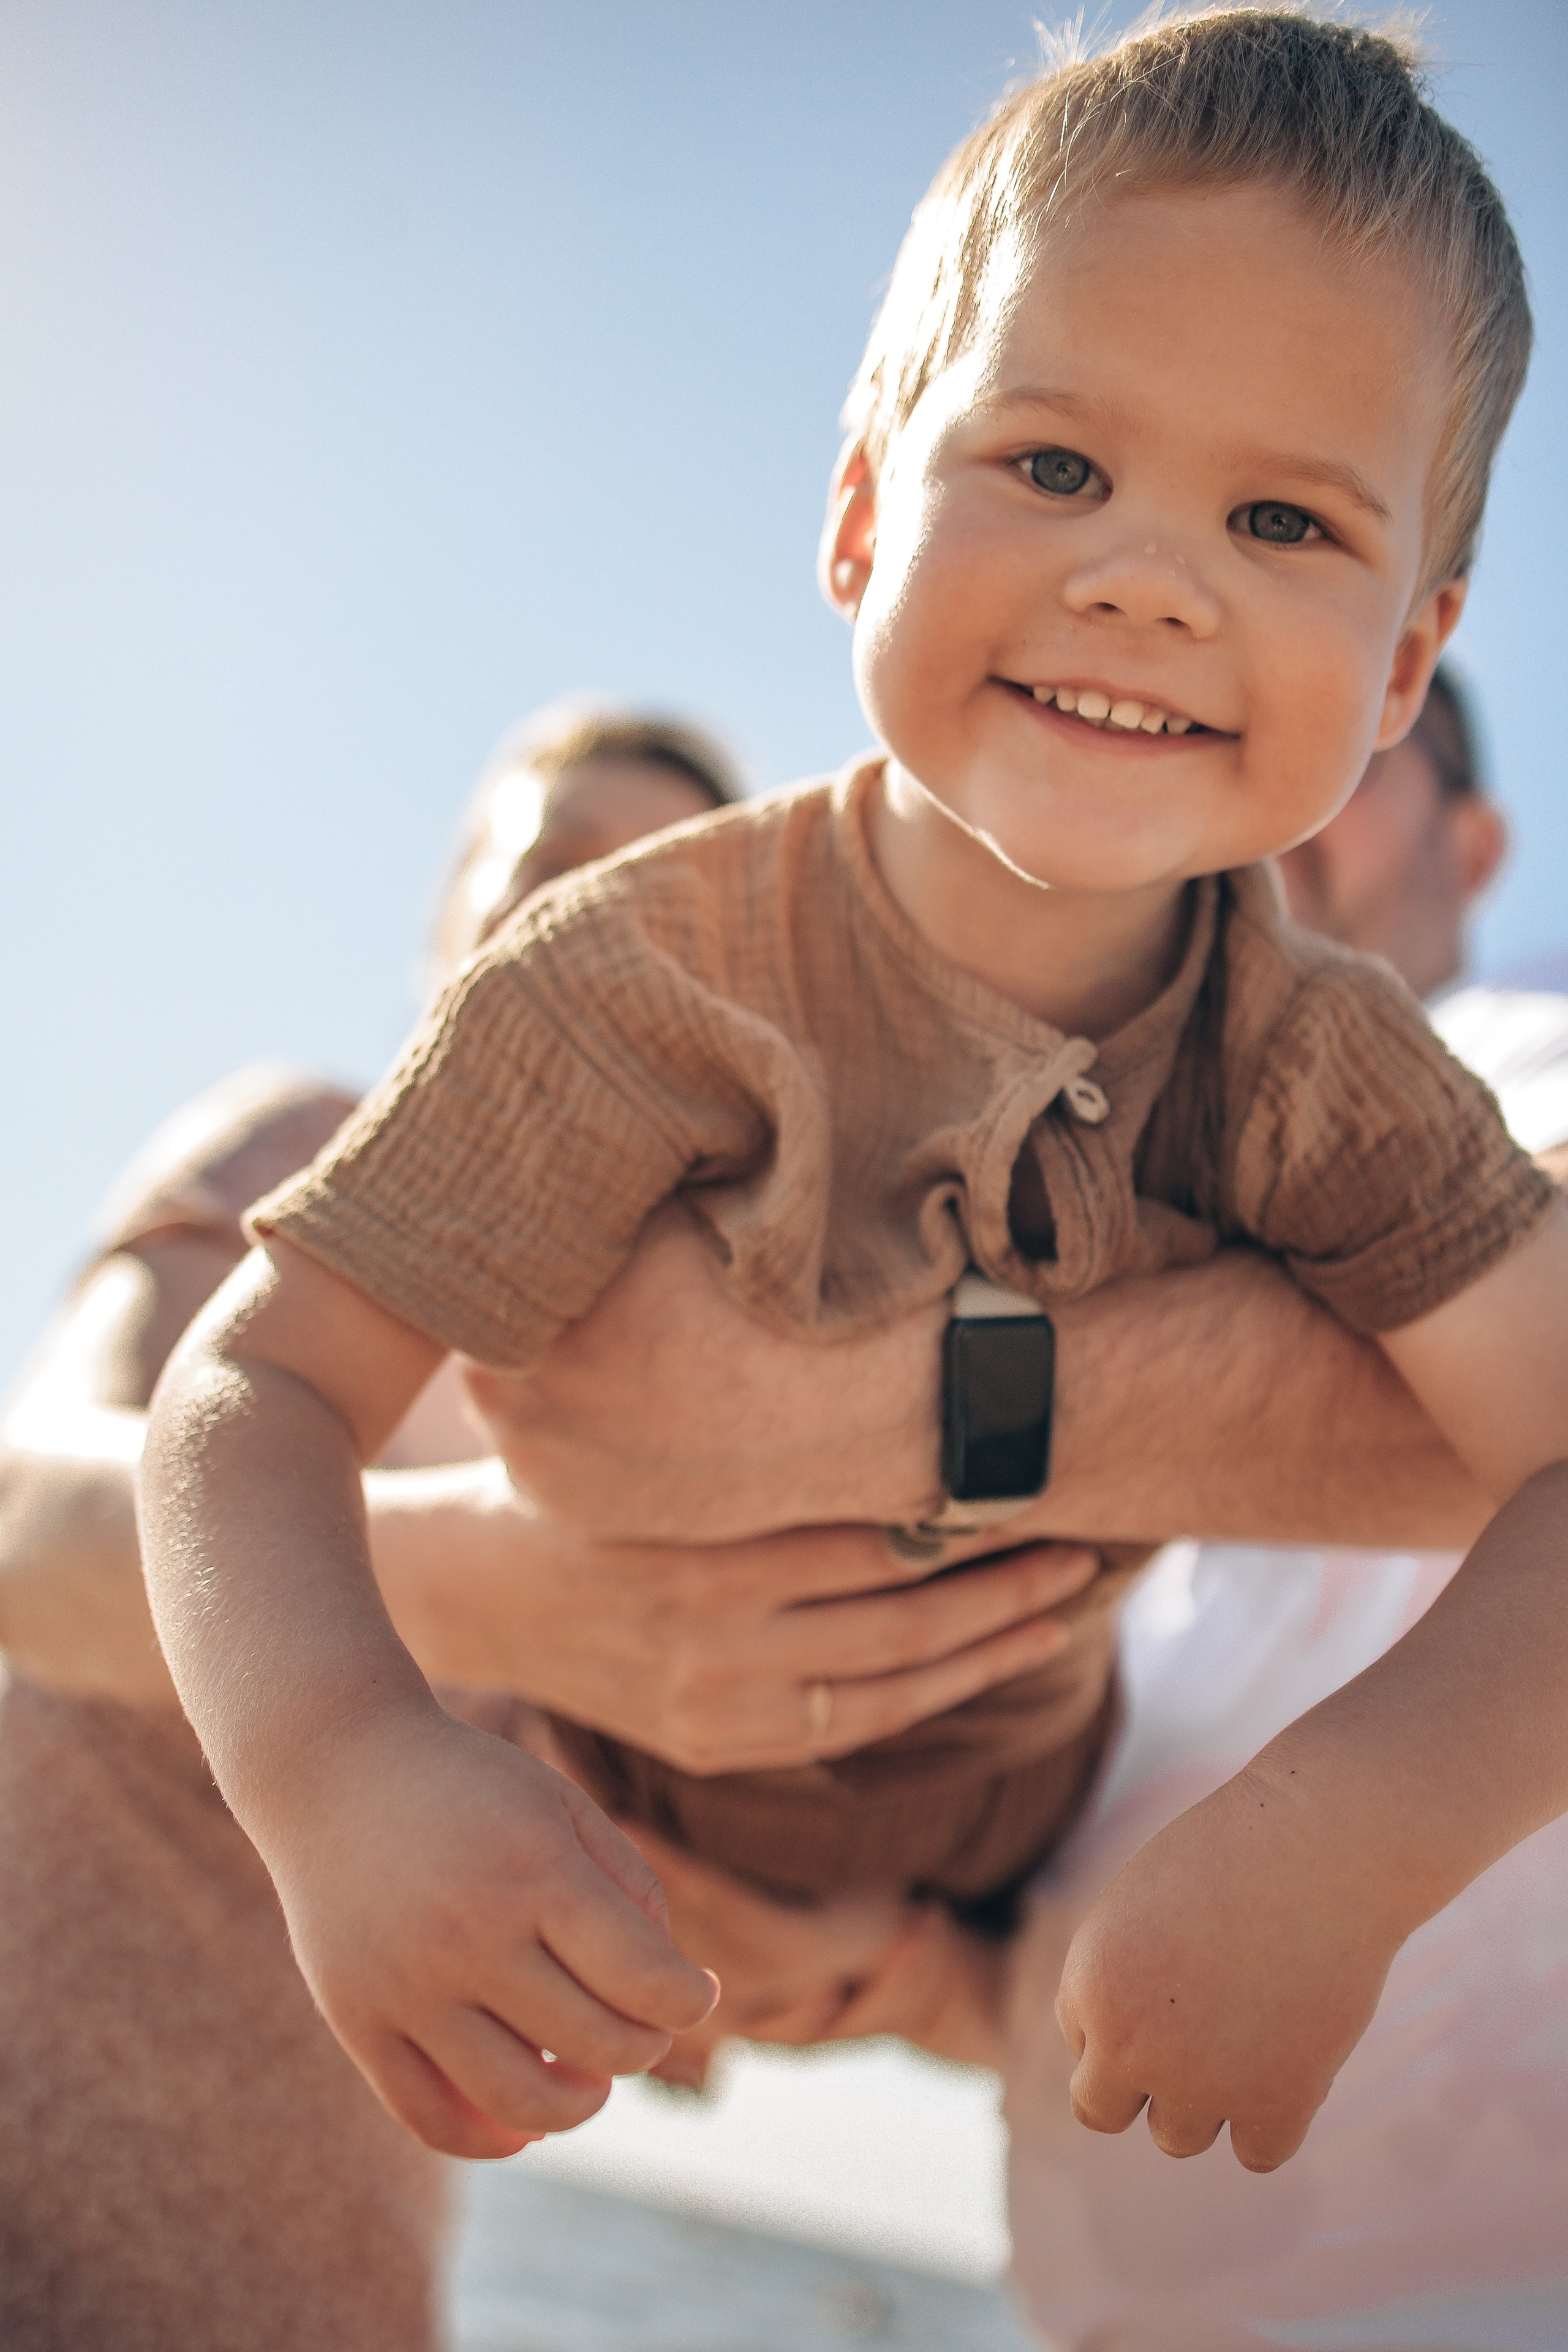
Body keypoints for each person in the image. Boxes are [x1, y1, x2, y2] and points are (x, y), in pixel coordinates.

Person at [139, 7, 1568, 2189]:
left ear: (1400, 670)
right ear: (858, 512)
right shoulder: (644, 977)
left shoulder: (1319, 1067)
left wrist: (1350, 1837)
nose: (1147, 579)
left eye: (1281, 515)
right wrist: (344, 1770)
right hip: (608, 1801)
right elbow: (253, 1390)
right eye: (1058, 465)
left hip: (1024, 1842)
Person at [1004, 663, 1568, 2348]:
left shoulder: (1499, 1056)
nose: (1288, 797)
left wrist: (1356, 1837)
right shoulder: (1161, 1206)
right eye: (1242, 749)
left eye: (1364, 750)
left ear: (1471, 847)